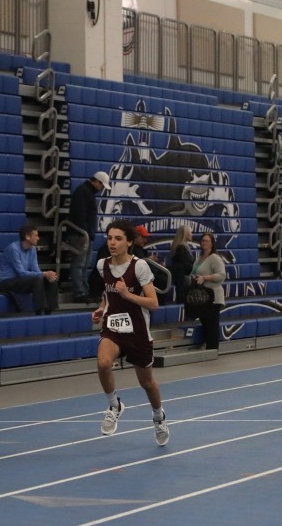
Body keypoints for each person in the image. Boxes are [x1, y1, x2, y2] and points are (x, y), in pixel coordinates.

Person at [92, 219, 170, 447]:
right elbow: (108, 294)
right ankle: (114, 405)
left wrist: (127, 295)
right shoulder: (102, 265)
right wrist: (101, 308)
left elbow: (153, 303)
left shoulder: (140, 267)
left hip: (137, 332)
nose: (112, 243)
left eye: (118, 238)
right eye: (109, 238)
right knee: (103, 363)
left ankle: (159, 417)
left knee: (147, 382)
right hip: (113, 328)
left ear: (129, 242)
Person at [0, 225, 59, 315]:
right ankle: (39, 310)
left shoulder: (32, 249)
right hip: (7, 281)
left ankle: (49, 310)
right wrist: (44, 274)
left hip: (21, 281)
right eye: (36, 235)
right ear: (27, 237)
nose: (38, 238)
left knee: (51, 279)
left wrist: (47, 275)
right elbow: (21, 273)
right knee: (38, 279)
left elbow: (36, 269)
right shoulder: (13, 249)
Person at [66, 171, 109, 303]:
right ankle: (80, 292)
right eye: (102, 186)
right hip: (80, 234)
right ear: (97, 182)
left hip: (83, 234)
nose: (101, 189)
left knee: (84, 264)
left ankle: (83, 291)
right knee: (79, 264)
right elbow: (79, 215)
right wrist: (84, 232)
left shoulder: (85, 192)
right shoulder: (83, 192)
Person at [190, 231, 226, 350]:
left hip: (213, 296)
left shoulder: (215, 258)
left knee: (212, 324)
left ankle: (213, 349)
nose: (204, 242)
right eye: (202, 240)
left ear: (212, 243)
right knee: (205, 322)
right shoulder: (199, 257)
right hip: (203, 297)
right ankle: (208, 347)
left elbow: (221, 275)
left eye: (206, 241)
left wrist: (205, 277)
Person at [168, 225, 195, 303]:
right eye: (191, 232)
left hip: (183, 278)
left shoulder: (184, 246)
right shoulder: (181, 248)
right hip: (182, 279)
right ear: (186, 234)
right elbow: (185, 265)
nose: (192, 234)